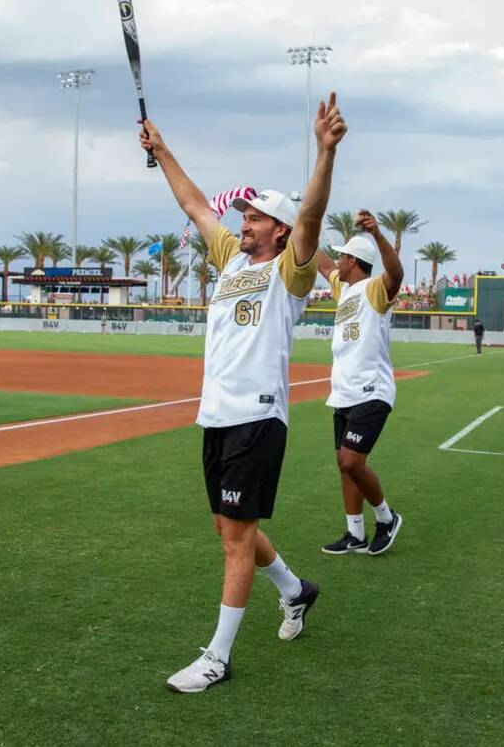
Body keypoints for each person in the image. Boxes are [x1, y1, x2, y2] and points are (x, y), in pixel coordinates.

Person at [139, 93, 347, 693]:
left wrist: (323, 152)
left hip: (259, 417)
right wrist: (163, 149)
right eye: (246, 214)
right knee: (232, 529)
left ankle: (218, 657)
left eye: (255, 216)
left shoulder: (292, 268)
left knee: (234, 536)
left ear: (279, 229)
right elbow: (194, 203)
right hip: (217, 415)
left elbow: (312, 214)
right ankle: (295, 589)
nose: (243, 221)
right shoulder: (232, 259)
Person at [314, 210, 404, 556]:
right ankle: (356, 534)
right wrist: (296, 225)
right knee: (343, 464)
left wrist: (379, 234)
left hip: (372, 392)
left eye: (342, 255)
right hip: (344, 393)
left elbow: (395, 273)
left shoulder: (373, 289)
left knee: (352, 461)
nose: (337, 260)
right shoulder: (345, 288)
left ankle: (386, 517)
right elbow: (321, 263)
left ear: (353, 261)